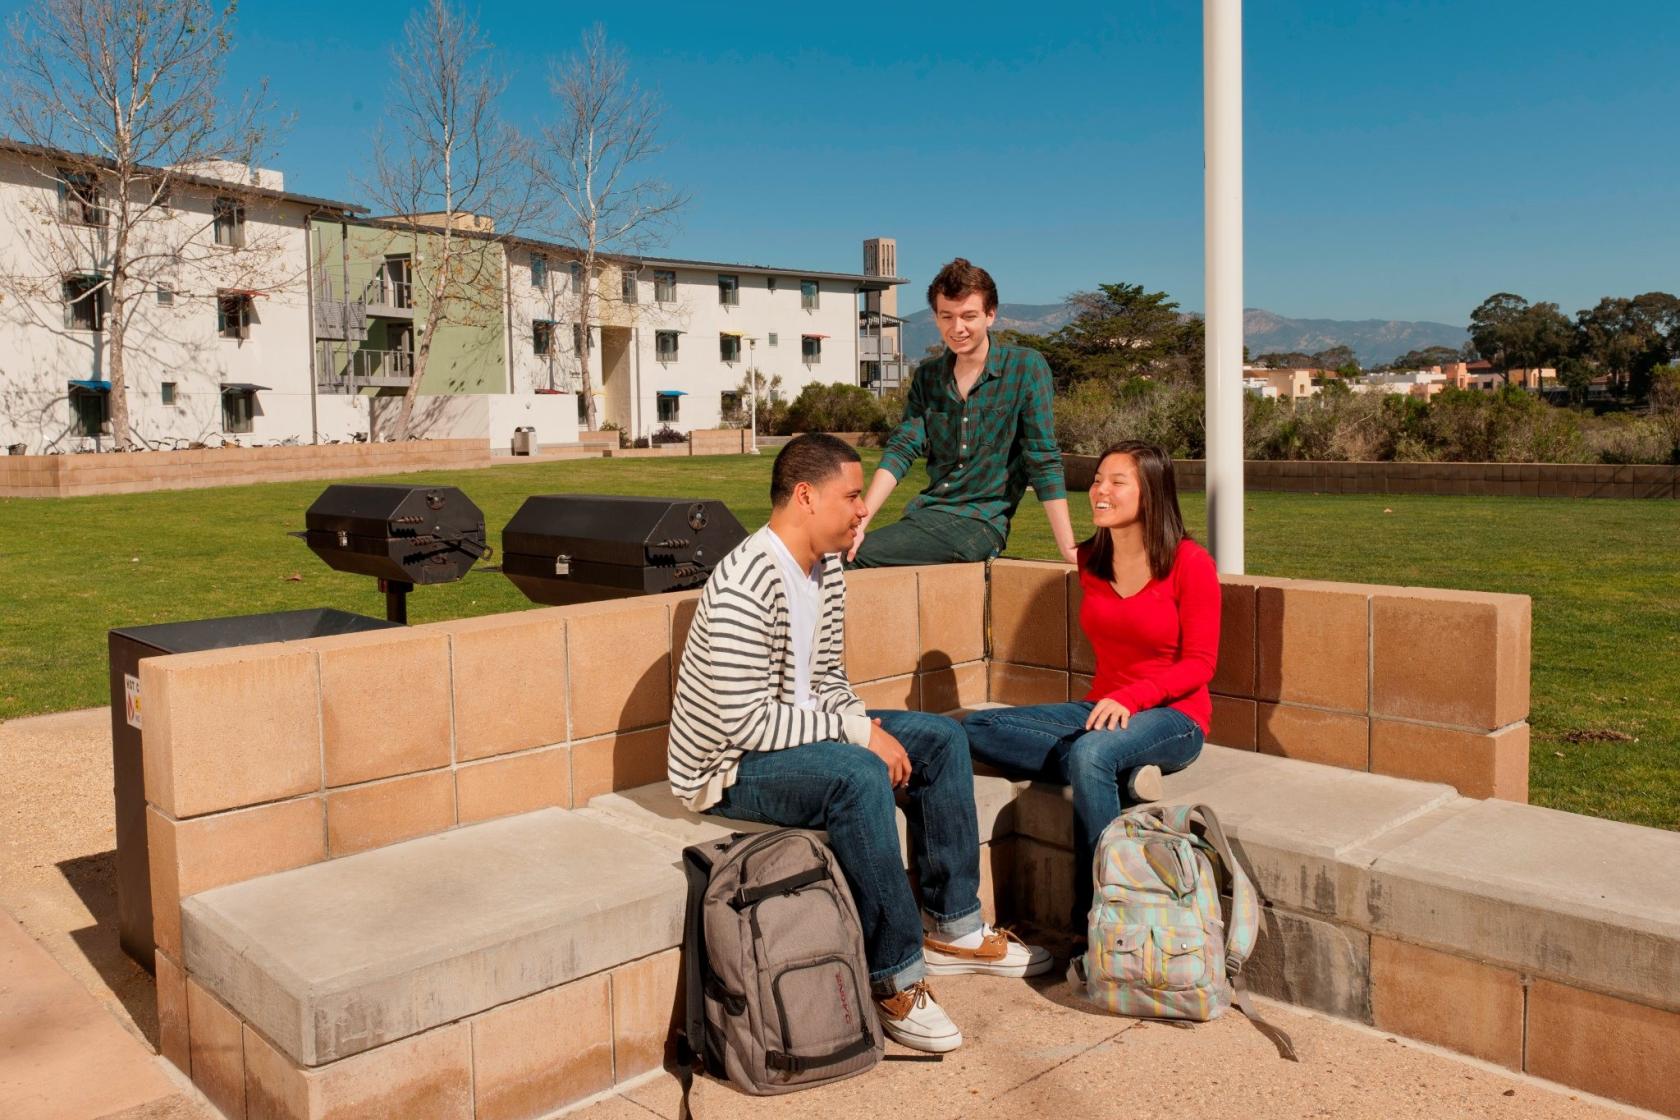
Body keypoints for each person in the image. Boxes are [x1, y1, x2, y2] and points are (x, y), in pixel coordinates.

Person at [668, 432, 1052, 1054]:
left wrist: (861, 724)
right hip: (729, 768)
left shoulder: (828, 566)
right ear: (804, 497)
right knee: (858, 775)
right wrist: (857, 734)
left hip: (792, 732)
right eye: (851, 496)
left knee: (938, 739)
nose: (862, 509)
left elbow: (825, 679)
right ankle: (894, 977)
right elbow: (746, 724)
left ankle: (953, 927)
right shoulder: (743, 583)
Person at [963, 441, 1219, 925]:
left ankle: (1099, 912)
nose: (1100, 490)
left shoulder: (1190, 562)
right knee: (976, 727)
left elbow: (1201, 664)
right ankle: (1119, 775)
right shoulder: (1090, 560)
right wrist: (1114, 701)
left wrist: (1132, 697)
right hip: (1104, 707)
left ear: (1152, 493)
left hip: (1175, 717)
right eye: (1098, 479)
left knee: (1091, 752)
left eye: (1116, 482)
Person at [848, 258, 1079, 568]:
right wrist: (860, 522)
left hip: (980, 525)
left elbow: (1042, 457)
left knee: (850, 560)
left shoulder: (1025, 367)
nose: (957, 328)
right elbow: (903, 448)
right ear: (937, 317)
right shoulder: (928, 377)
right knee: (823, 550)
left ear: (991, 315)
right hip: (926, 515)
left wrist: (1068, 547)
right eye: (947, 316)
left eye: (969, 316)